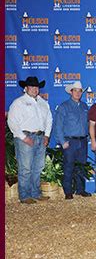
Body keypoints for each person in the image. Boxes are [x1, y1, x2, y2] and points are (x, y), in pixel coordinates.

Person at [7, 76, 53, 204]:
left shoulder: (43, 103)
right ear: (25, 88)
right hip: (25, 137)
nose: (34, 89)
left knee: (38, 167)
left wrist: (47, 135)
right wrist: (23, 137)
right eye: (32, 87)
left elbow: (49, 120)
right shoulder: (18, 103)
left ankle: (36, 193)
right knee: (25, 168)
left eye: (36, 87)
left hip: (40, 136)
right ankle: (24, 196)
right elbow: (12, 122)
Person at [53, 81, 91, 199]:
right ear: (71, 92)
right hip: (70, 141)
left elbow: (88, 123)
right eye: (75, 90)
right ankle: (68, 191)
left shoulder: (85, 106)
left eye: (80, 91)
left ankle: (80, 189)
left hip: (82, 140)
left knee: (82, 166)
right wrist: (62, 141)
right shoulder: (64, 106)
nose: (78, 93)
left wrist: (88, 136)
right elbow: (58, 125)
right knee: (68, 166)